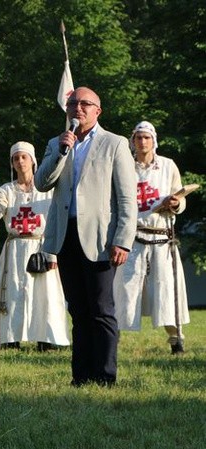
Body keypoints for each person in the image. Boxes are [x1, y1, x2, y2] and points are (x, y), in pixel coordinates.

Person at [35, 87, 137, 386]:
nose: (77, 108)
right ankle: (81, 376)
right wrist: (60, 152)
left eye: (84, 104)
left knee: (101, 310)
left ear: (97, 111)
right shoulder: (57, 142)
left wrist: (123, 239)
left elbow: (127, 199)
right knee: (78, 310)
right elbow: (42, 183)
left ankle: (105, 376)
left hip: (101, 239)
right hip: (65, 237)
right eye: (72, 104)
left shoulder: (114, 144)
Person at [0, 142, 69, 351]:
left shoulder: (46, 188)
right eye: (16, 158)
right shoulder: (6, 190)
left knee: (45, 294)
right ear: (12, 163)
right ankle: (9, 338)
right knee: (13, 292)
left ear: (33, 160)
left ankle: (47, 339)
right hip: (15, 248)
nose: (20, 161)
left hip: (42, 246)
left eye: (24, 157)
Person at [114, 121, 190, 354]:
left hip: (162, 239)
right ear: (133, 140)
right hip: (133, 238)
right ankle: (110, 341)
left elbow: (180, 196)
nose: (142, 141)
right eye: (138, 137)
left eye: (147, 137)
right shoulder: (124, 165)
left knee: (165, 290)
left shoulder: (168, 166)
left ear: (153, 140)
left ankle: (176, 340)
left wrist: (176, 203)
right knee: (122, 290)